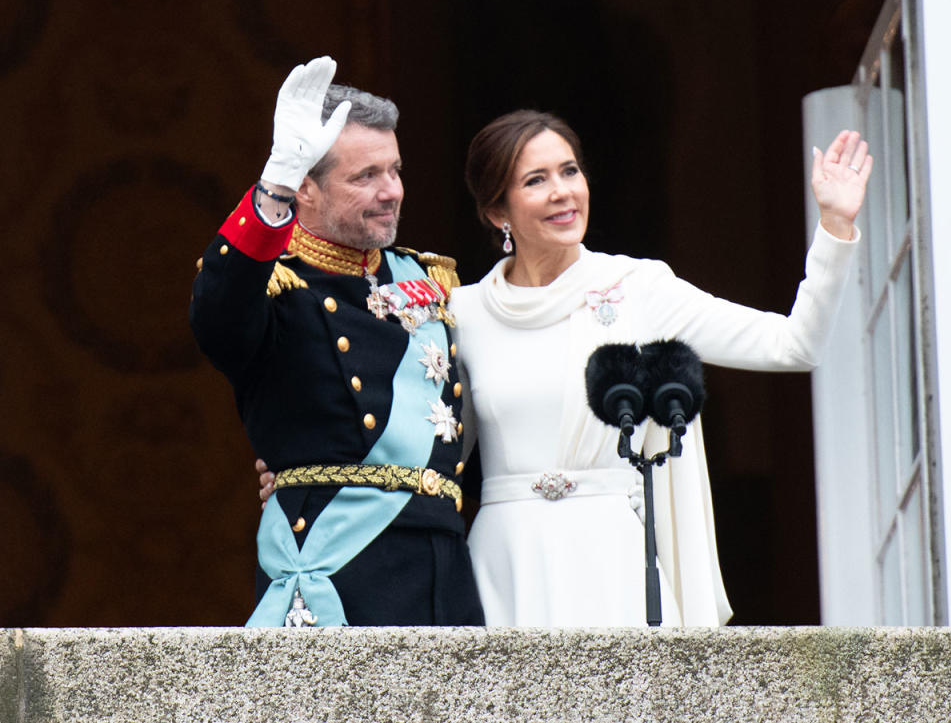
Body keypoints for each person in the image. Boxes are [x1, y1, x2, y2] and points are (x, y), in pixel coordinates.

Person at [447, 109, 871, 626]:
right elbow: (438, 461)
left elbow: (794, 344)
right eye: (536, 180)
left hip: (613, 560)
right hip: (505, 564)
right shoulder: (461, 313)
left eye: (570, 170)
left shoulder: (638, 288)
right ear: (497, 212)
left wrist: (835, 225)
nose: (563, 191)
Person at [191, 57, 484, 627]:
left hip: (443, 567)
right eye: (365, 176)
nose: (390, 191)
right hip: (342, 568)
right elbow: (217, 313)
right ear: (306, 187)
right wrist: (271, 183)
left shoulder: (427, 279)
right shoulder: (276, 284)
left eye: (395, 170)